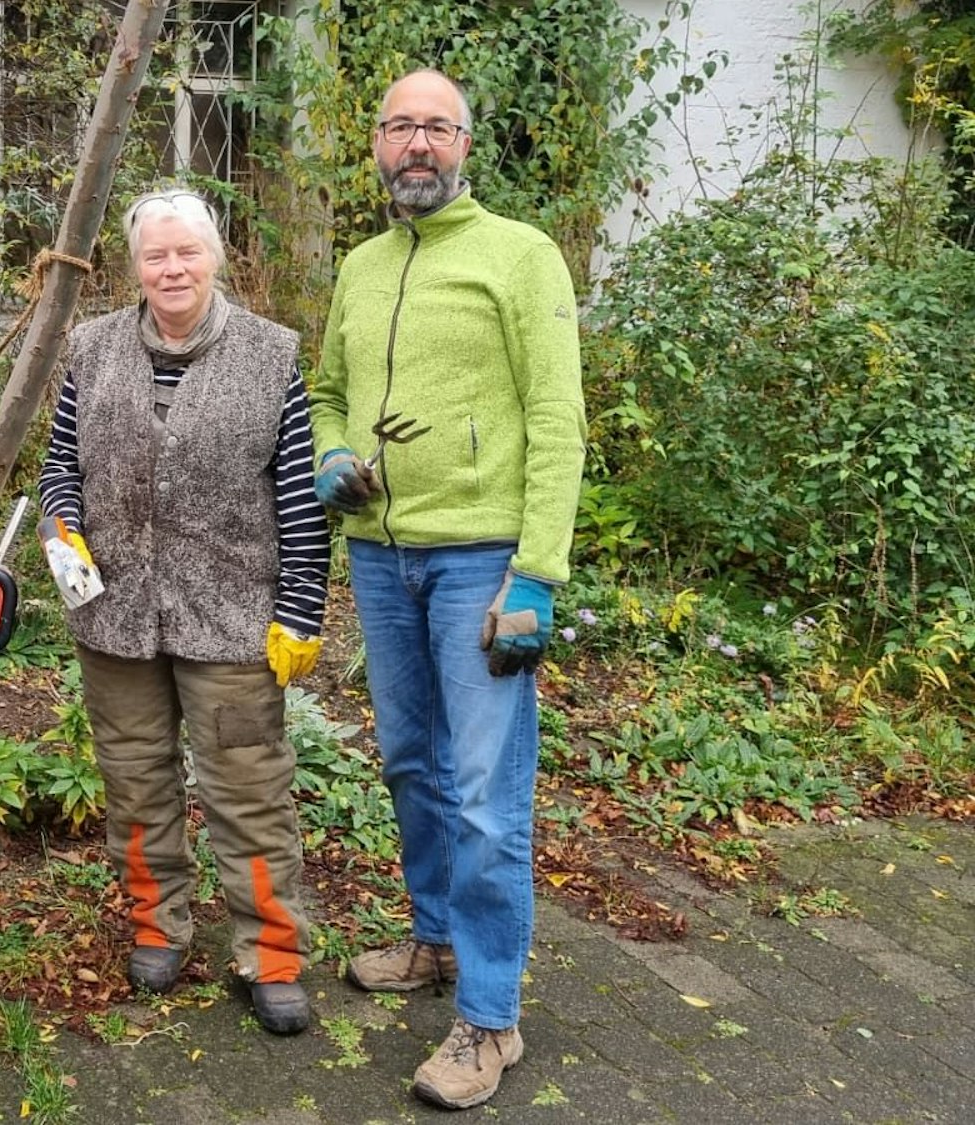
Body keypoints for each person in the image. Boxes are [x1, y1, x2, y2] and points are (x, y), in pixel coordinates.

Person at [310, 69, 586, 1110]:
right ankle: (433, 942)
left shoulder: (518, 255)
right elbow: (330, 390)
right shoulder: (363, 264)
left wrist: (535, 575)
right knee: (411, 764)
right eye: (398, 126)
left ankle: (488, 1019)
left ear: (466, 142)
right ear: (374, 144)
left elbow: (557, 419)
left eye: (435, 126)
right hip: (380, 560)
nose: (415, 143)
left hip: (481, 563)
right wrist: (334, 456)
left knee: (482, 793)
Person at [36, 187, 331, 1036]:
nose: (172, 268)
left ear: (215, 257)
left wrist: (302, 609)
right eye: (155, 255)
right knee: (135, 781)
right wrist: (63, 531)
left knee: (250, 787)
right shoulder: (91, 349)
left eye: (187, 252)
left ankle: (271, 953)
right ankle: (157, 925)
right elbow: (62, 466)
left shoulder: (272, 356)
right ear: (134, 266)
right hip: (116, 614)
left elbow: (301, 501)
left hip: (235, 616)